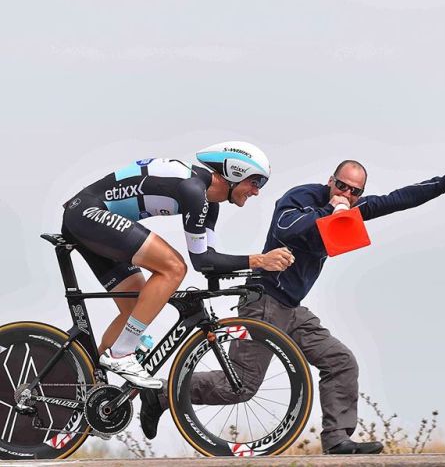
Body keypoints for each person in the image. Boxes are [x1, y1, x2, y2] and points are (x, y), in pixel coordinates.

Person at [139, 156, 445, 454]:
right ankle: (163, 395)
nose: (347, 195)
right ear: (331, 181)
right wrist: (330, 210)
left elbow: (397, 199)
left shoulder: (352, 207)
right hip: (264, 301)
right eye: (342, 186)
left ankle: (337, 439)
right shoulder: (303, 197)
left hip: (292, 308)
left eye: (354, 192)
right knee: (240, 386)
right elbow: (286, 227)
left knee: (340, 361)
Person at [61, 141, 294, 389]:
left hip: (92, 221)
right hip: (87, 212)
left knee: (140, 306)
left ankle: (90, 386)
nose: (257, 191)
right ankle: (121, 355)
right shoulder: (193, 190)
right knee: (173, 267)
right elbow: (200, 260)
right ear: (235, 173)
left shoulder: (208, 204)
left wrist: (256, 267)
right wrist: (259, 259)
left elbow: (208, 262)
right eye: (255, 182)